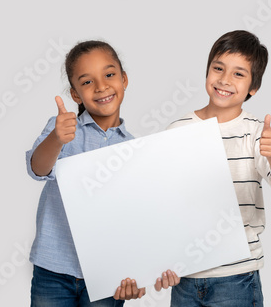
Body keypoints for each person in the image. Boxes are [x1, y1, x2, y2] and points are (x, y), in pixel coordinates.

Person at [25, 40, 179, 307]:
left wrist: (138, 274)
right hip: (54, 267)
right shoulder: (62, 129)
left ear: (124, 79)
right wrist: (57, 139)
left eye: (109, 75)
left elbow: (136, 221)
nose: (101, 87)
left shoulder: (134, 150)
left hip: (108, 276)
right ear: (75, 94)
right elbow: (38, 169)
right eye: (87, 82)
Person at [167, 30, 271, 306]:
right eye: (218, 68)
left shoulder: (255, 133)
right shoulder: (178, 130)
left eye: (238, 74)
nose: (225, 79)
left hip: (236, 275)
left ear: (253, 88)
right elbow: (167, 200)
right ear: (207, 72)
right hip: (185, 276)